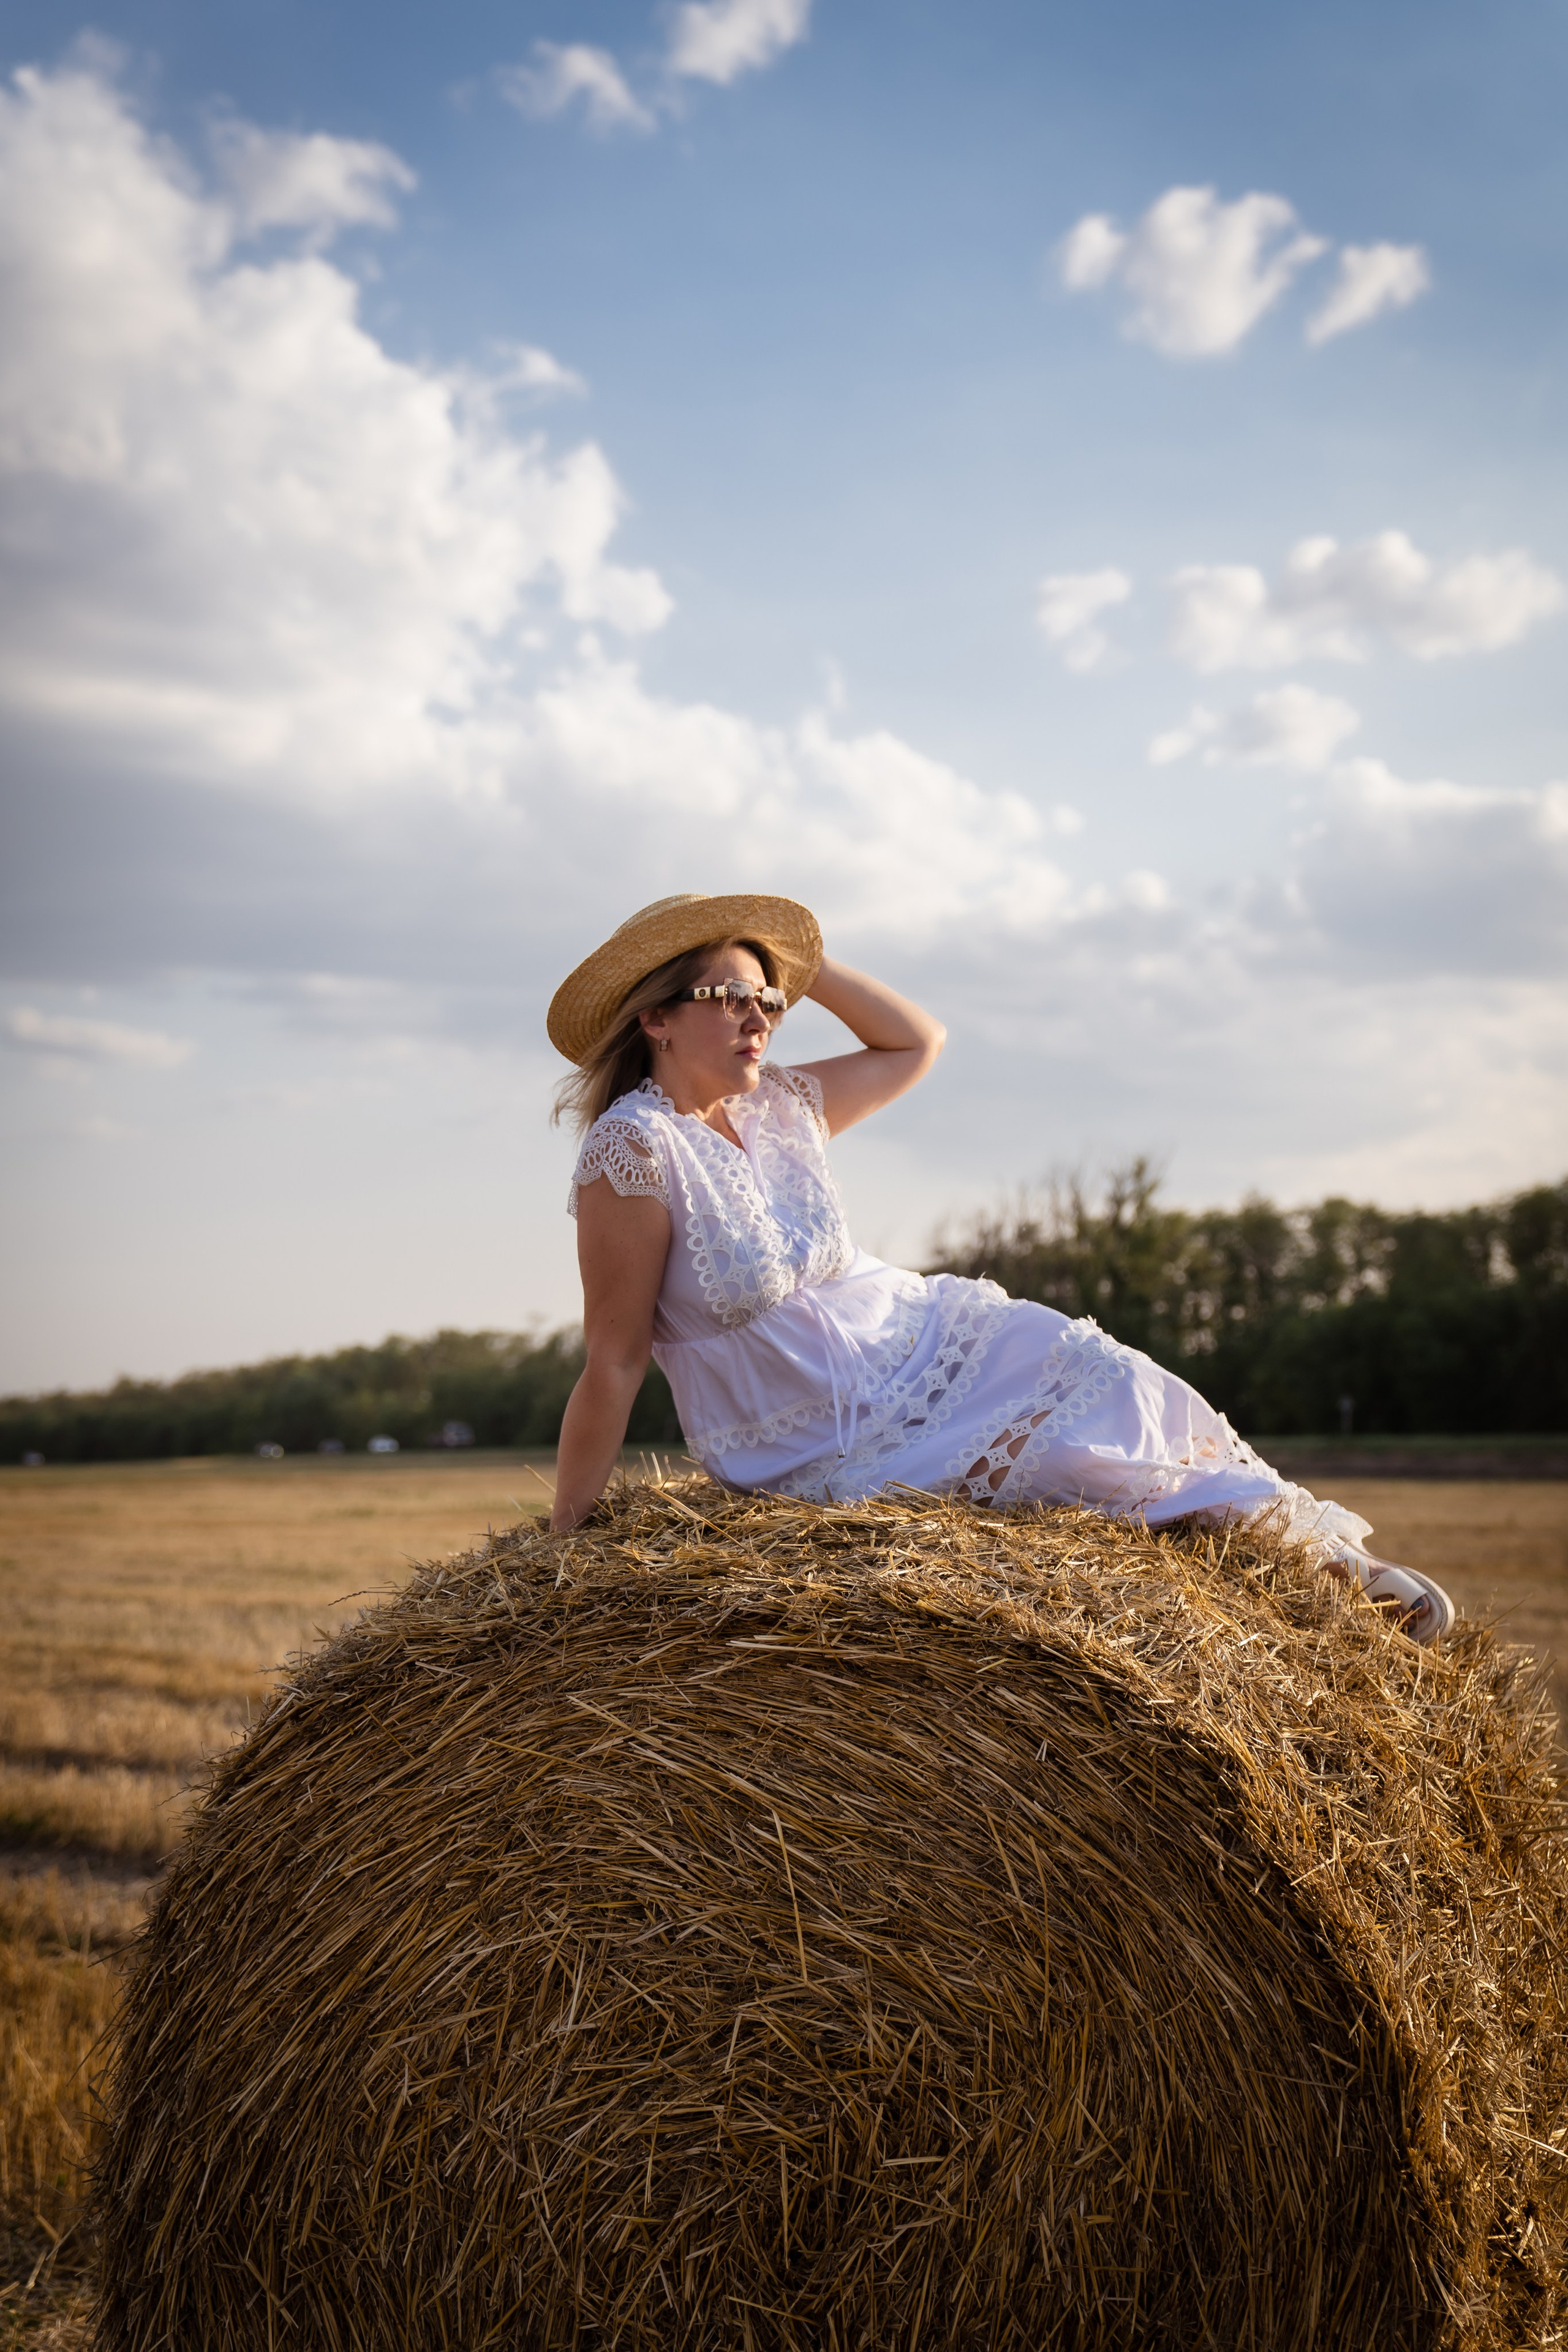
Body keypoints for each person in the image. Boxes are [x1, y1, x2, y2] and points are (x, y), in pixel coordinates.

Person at [546, 892, 1454, 1642]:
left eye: (769, 1001)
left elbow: (916, 1041)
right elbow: (616, 1360)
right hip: (814, 1438)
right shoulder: (633, 1153)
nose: (760, 1018)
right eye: (730, 998)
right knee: (1071, 1462)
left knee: (1122, 1384)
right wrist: (560, 1551)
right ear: (656, 1017)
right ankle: (1309, 1594)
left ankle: (1332, 1570)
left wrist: (800, 962)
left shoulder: (785, 1106)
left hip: (926, 1341)